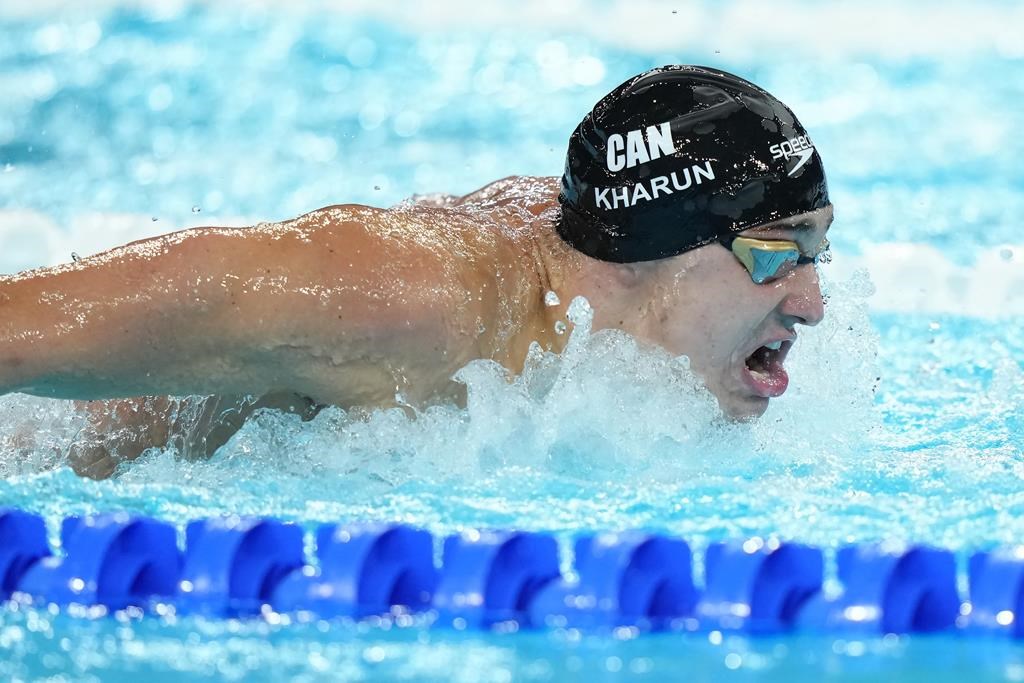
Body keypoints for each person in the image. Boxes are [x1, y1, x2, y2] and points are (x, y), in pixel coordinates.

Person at [0, 65, 832, 478]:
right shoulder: (412, 301)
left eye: (818, 250)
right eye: (775, 253)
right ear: (653, 250)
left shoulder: (596, 275)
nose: (813, 302)